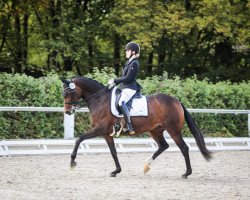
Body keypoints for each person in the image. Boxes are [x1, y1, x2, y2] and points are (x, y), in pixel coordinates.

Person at [108, 42, 142, 134]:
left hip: (130, 88)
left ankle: (130, 126)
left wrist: (115, 80)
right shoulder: (128, 62)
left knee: (121, 102)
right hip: (124, 87)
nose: (126, 52)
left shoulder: (134, 63)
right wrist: (114, 84)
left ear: (133, 52)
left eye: (128, 50)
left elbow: (128, 78)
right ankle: (117, 123)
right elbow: (123, 77)